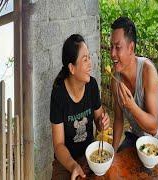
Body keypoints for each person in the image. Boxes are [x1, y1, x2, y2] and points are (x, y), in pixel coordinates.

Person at [110, 16, 158, 162]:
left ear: (131, 48)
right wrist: (113, 154)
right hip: (137, 137)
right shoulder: (115, 80)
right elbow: (118, 119)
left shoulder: (147, 71)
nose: (112, 53)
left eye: (117, 47)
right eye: (111, 47)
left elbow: (153, 127)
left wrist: (131, 106)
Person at [50, 34, 110, 180]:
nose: (90, 63)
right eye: (85, 59)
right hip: (65, 161)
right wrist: (72, 165)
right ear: (72, 68)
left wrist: (103, 123)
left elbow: (99, 120)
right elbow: (58, 145)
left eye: (89, 57)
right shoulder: (59, 94)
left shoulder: (92, 86)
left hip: (90, 155)